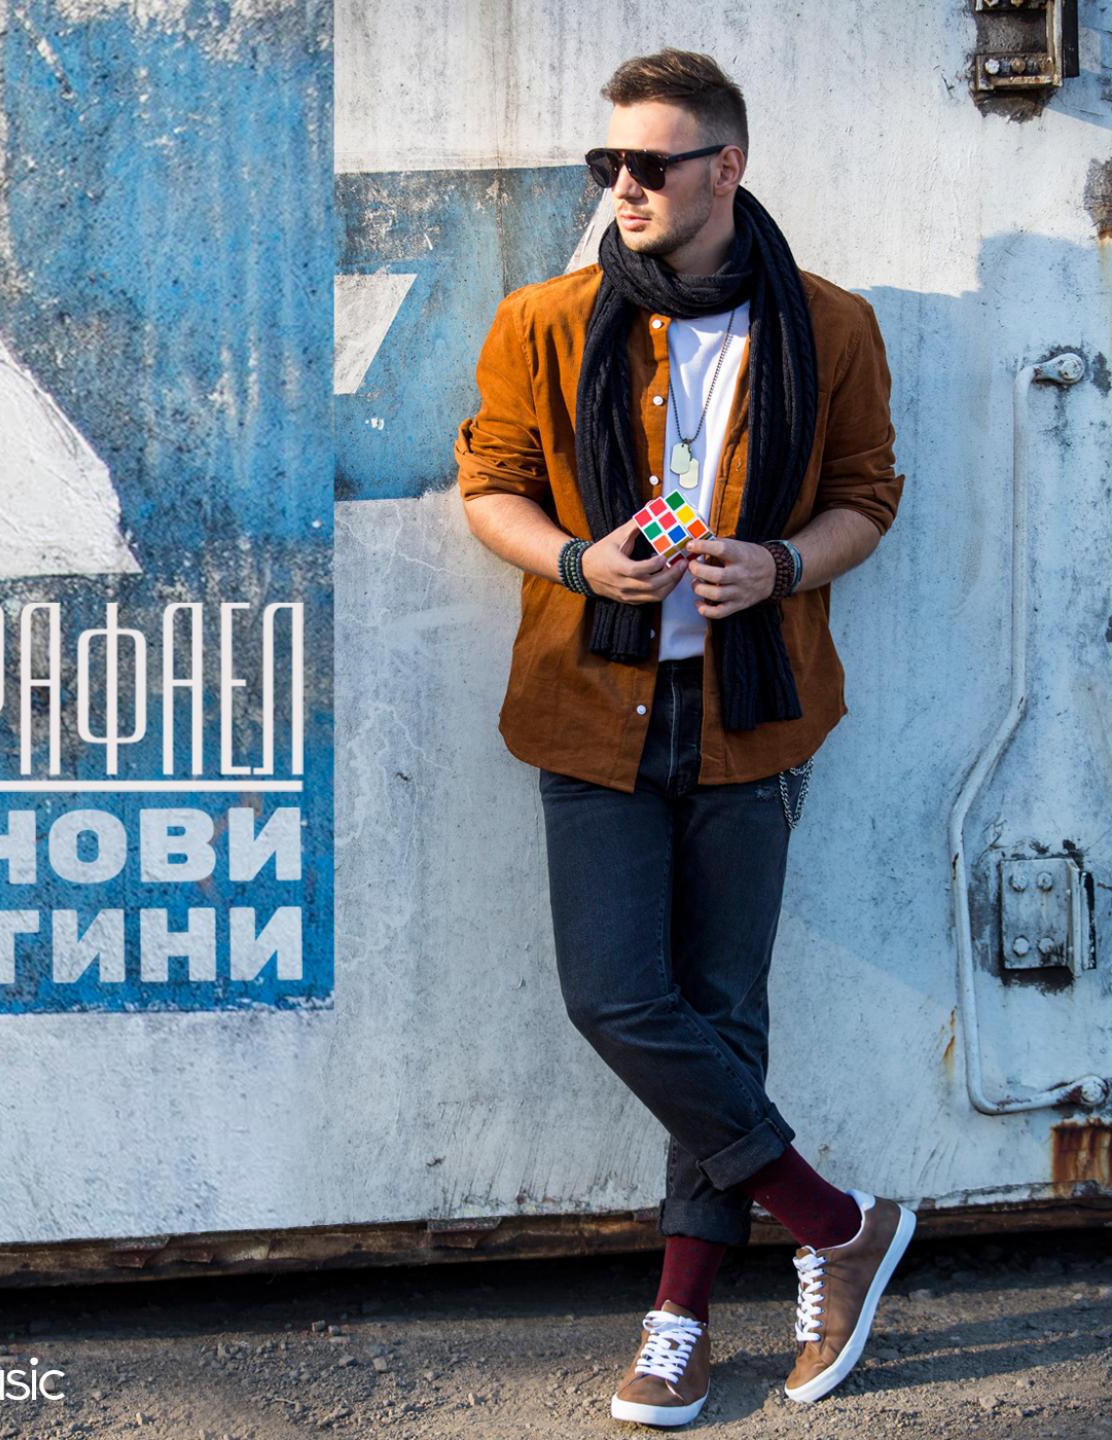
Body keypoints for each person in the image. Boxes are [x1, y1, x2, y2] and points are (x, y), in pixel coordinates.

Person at [453, 47, 914, 1428]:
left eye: (650, 163)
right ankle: (839, 1223)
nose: (625, 187)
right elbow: (489, 485)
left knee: (722, 1017)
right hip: (589, 712)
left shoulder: (828, 326)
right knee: (616, 998)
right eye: (609, 163)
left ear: (728, 167)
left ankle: (681, 1318)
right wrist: (579, 561)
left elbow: (866, 495)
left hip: (751, 716)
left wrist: (781, 564)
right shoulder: (546, 320)